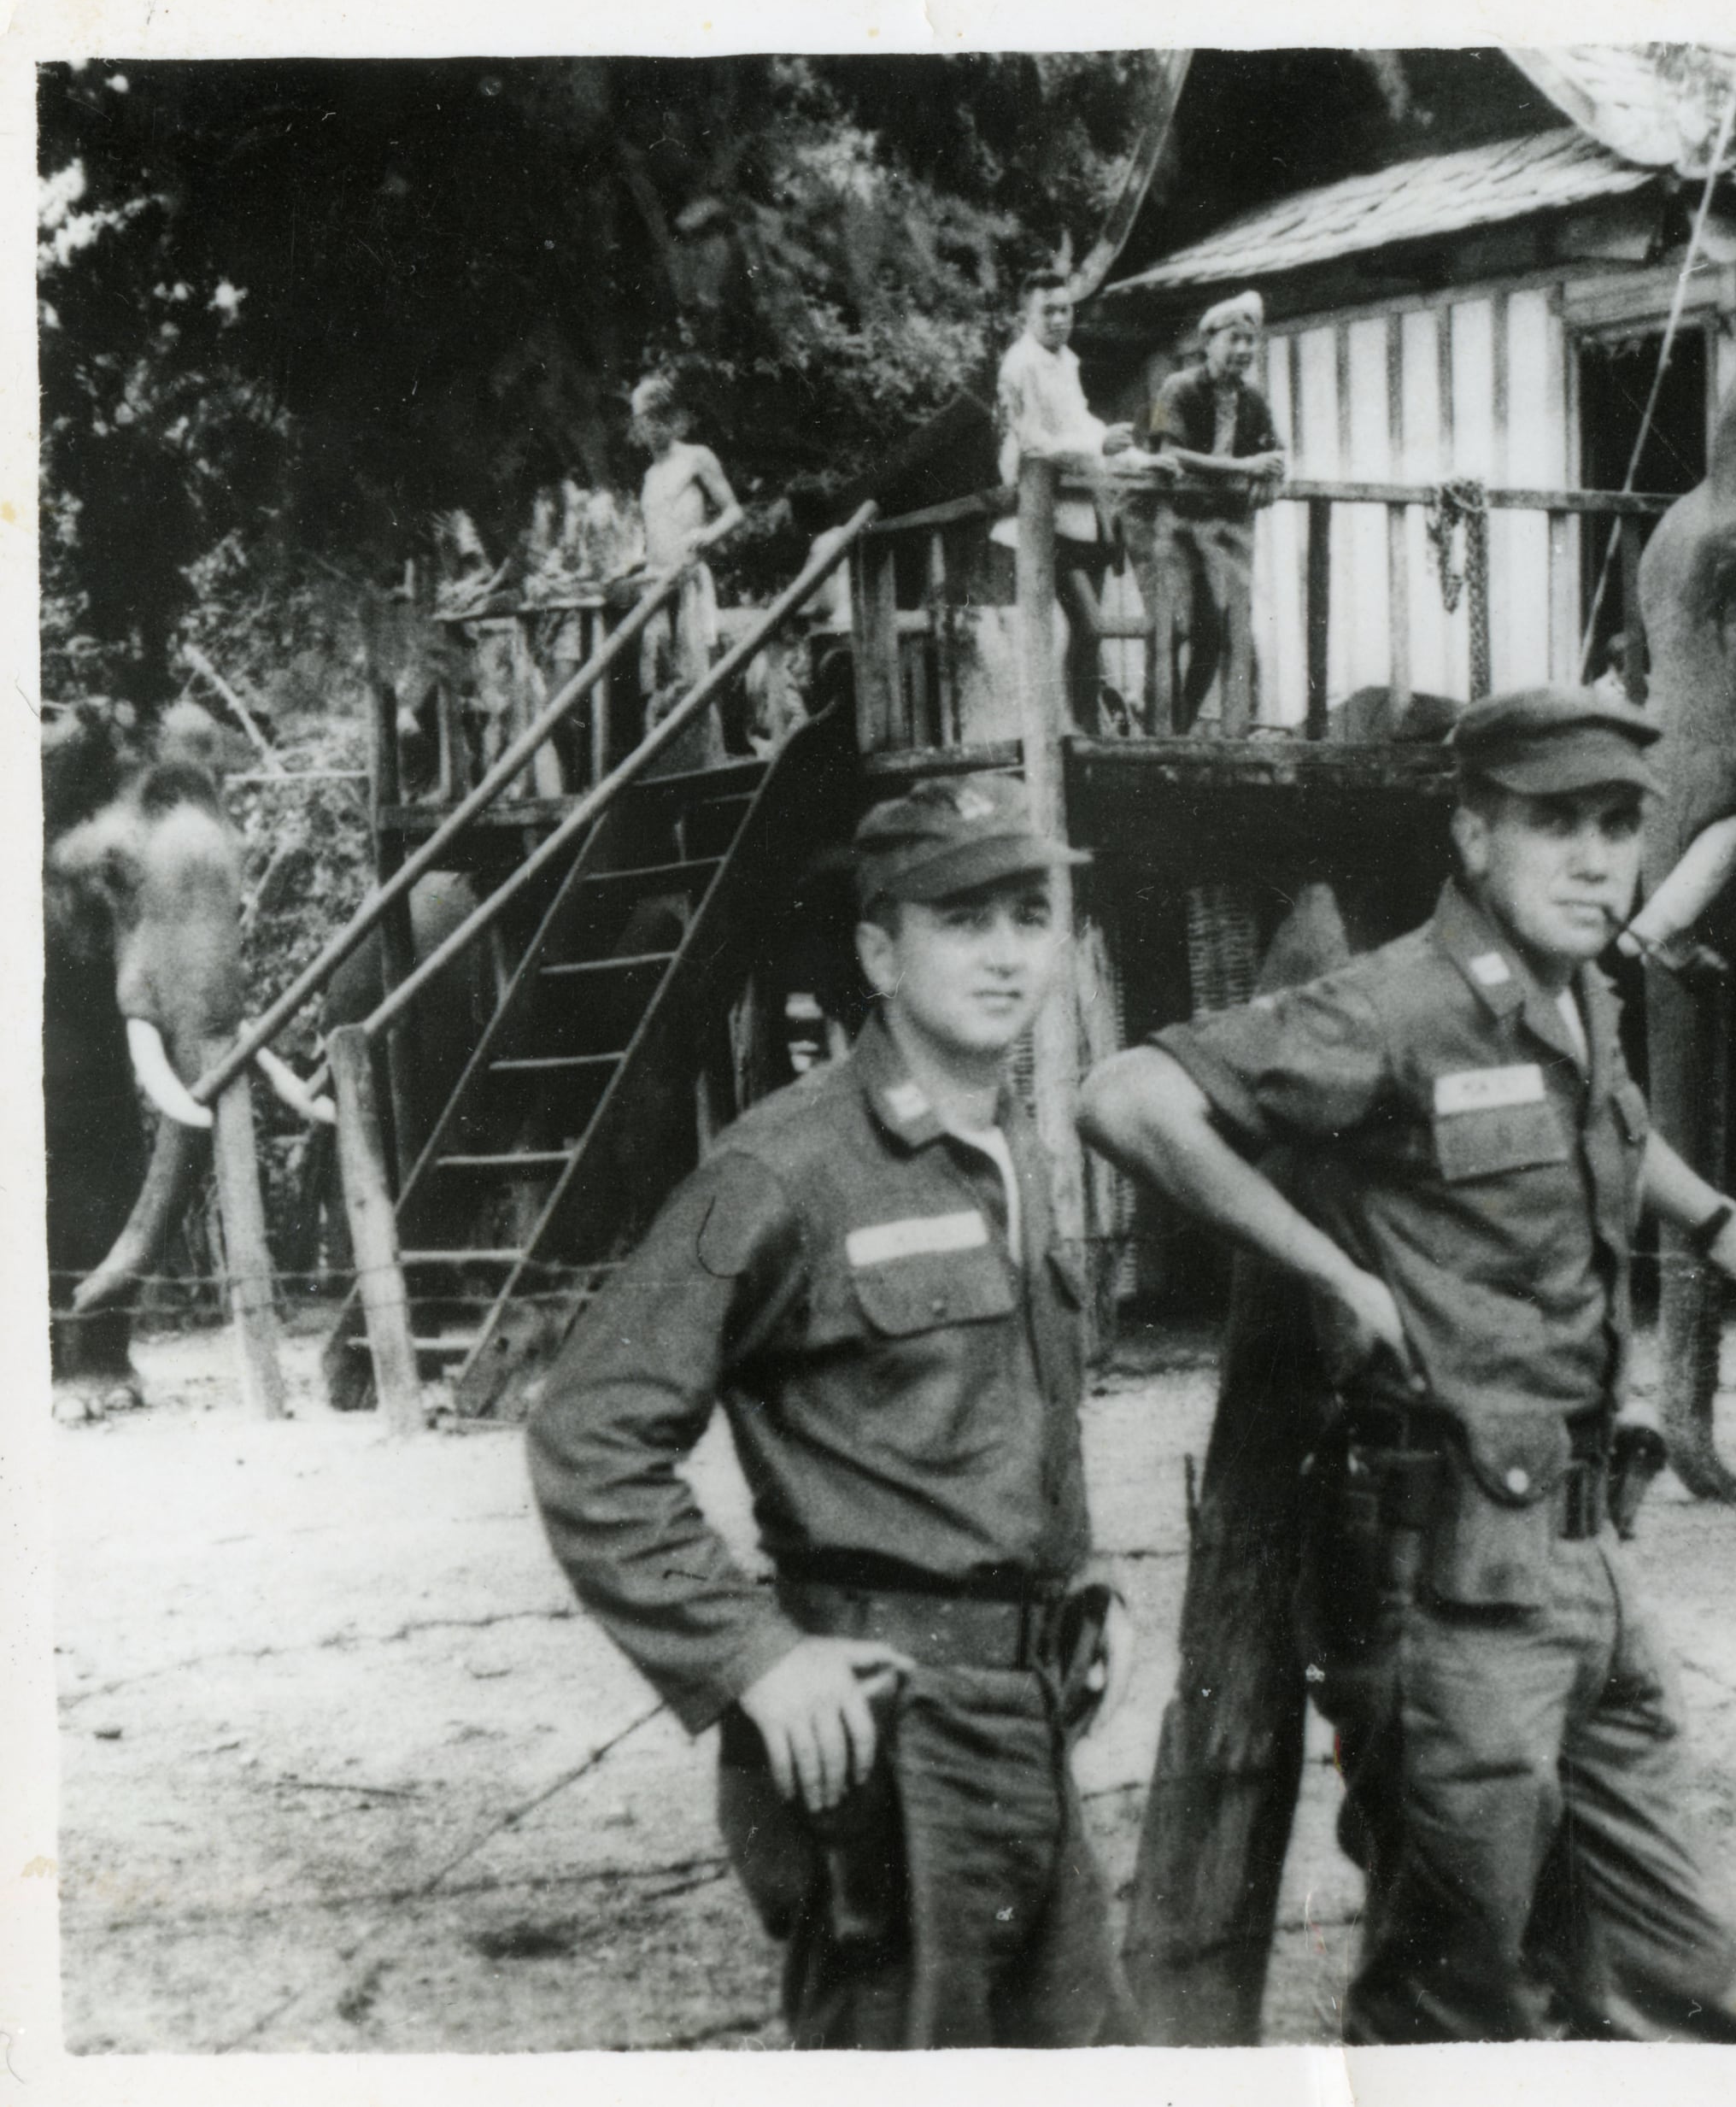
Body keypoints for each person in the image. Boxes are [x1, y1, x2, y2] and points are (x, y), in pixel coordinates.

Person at [1081, 685, 1736, 2044]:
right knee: (1453, 2005)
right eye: (1558, 824)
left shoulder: (1578, 994)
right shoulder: (1394, 1008)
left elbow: (1605, 1125)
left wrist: (1719, 1220)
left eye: (1617, 825)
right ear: (1476, 833)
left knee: (1687, 1985)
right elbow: (1125, 1096)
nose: (1598, 858)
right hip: (1447, 1585)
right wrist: (1329, 1267)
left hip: (1593, 1567)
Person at [526, 781, 1129, 2049]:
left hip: (1021, 1719)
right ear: (877, 950)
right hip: (886, 1737)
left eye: (1032, 911)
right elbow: (588, 1431)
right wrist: (750, 1654)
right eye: (964, 917)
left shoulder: (1009, 1135)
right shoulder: (784, 1165)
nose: (1011, 950)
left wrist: (1085, 1571)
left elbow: (986, 1414)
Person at [994, 267, 1134, 733]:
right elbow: (1032, 444)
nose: (1058, 319)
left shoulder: (1065, 361)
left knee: (1087, 635)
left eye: (1065, 309)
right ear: (1025, 316)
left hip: (1080, 512)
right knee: (1089, 625)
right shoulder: (1020, 365)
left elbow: (1081, 425)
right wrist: (1097, 447)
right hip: (1043, 516)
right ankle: (1082, 732)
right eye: (1047, 311)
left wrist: (1134, 455)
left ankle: (1086, 730)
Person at [1144, 289, 1288, 732]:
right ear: (1208, 343)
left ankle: (1182, 728)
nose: (1243, 350)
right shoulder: (1180, 388)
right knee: (1171, 630)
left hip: (1224, 529)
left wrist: (1270, 479)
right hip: (1174, 524)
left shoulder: (1253, 400)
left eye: (1250, 341)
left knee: (1217, 632)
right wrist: (1244, 466)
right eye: (1234, 339)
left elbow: (1275, 454)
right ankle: (1157, 732)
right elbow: (1174, 452)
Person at [626, 373, 747, 764]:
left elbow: (734, 511)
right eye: (641, 419)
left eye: (654, 417)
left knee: (695, 675)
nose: (648, 427)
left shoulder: (696, 457)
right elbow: (652, 533)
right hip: (656, 585)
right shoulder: (648, 475)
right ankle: (665, 763)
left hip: (688, 580)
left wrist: (706, 535)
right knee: (658, 682)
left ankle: (707, 761)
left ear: (667, 417)